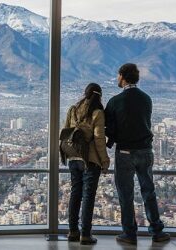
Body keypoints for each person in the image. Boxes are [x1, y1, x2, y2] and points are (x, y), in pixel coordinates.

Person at [105, 63, 170, 244]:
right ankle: (157, 231)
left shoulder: (115, 101)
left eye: (118, 75)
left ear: (123, 76)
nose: (117, 78)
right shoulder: (146, 99)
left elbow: (109, 129)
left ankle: (129, 233)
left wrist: (113, 137)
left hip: (125, 152)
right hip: (146, 151)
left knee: (126, 194)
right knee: (148, 190)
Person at [63, 83, 110, 245]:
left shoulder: (73, 110)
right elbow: (99, 140)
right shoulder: (97, 113)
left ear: (85, 94)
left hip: (73, 158)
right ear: (99, 97)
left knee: (75, 194)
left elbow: (66, 132)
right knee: (88, 196)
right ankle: (85, 234)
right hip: (90, 161)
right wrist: (105, 161)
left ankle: (72, 231)